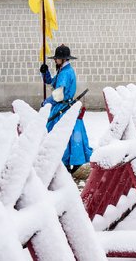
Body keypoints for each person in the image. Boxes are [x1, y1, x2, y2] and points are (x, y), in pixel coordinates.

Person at [40, 44, 93, 174]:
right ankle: (71, 162)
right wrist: (44, 72)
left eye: (57, 59)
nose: (55, 61)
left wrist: (46, 102)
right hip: (65, 106)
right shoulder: (64, 71)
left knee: (58, 134)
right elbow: (51, 82)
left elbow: (58, 94)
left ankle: (63, 163)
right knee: (71, 136)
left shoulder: (65, 73)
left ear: (63, 59)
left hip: (62, 107)